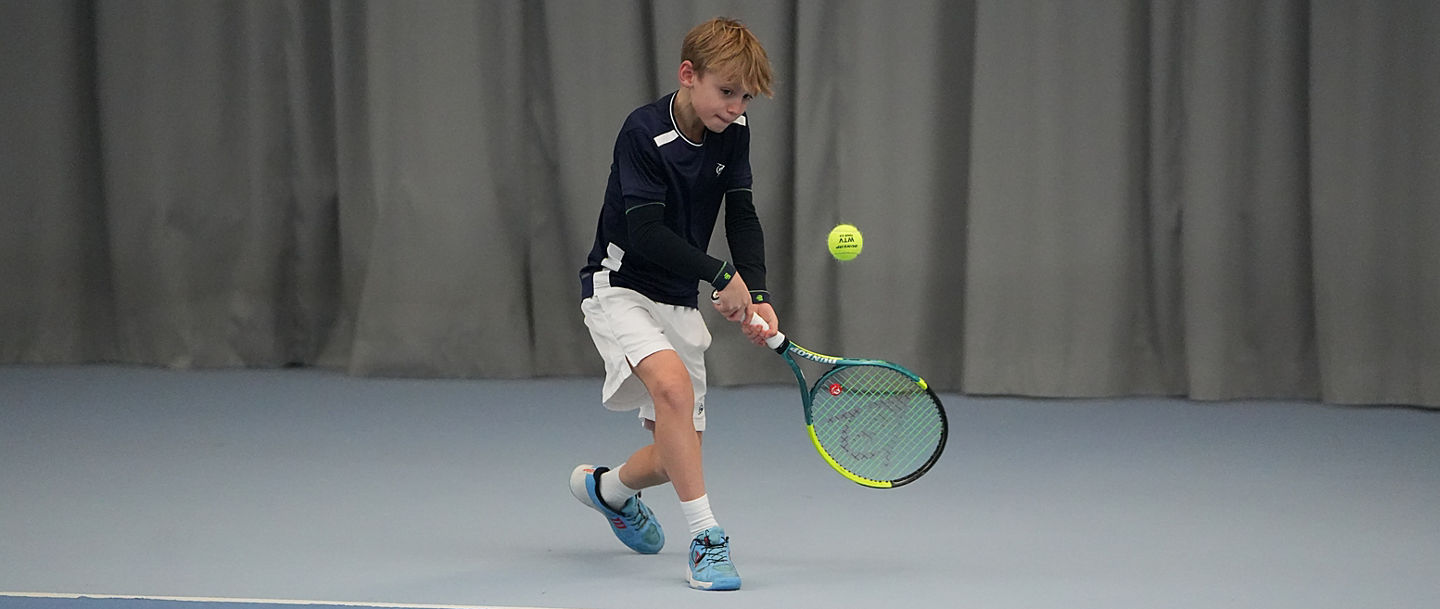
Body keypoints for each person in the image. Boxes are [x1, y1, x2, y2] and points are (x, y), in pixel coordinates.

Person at [570, 17, 778, 592]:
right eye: (727, 91)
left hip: (678, 299)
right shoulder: (642, 133)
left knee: (672, 457)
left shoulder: (734, 132)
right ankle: (707, 539)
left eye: (745, 97)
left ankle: (607, 490)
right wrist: (721, 275)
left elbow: (741, 215)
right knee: (673, 390)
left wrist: (757, 294)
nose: (736, 107)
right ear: (689, 75)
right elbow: (645, 234)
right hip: (620, 286)